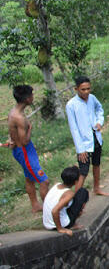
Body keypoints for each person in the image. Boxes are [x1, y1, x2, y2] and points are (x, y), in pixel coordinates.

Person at [7, 85, 49, 213]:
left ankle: (35, 205)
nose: (33, 97)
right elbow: (24, 140)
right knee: (44, 180)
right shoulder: (19, 118)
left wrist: (11, 140)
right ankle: (49, 209)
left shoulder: (13, 112)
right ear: (26, 99)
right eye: (31, 95)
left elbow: (12, 133)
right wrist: (29, 128)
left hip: (22, 150)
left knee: (29, 178)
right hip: (24, 151)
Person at [66, 76, 109, 196]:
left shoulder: (92, 98)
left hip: (95, 136)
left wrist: (99, 122)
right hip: (83, 142)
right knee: (83, 171)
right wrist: (81, 149)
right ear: (76, 89)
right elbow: (74, 129)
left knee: (96, 164)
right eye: (83, 89)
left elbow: (99, 109)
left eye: (88, 89)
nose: (86, 92)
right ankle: (75, 198)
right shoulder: (71, 105)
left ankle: (96, 188)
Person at [43, 166, 88, 236]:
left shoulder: (56, 185)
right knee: (83, 192)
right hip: (60, 225)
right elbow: (54, 211)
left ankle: (76, 213)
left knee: (72, 201)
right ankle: (73, 223)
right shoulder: (69, 194)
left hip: (47, 224)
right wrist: (60, 229)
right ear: (76, 182)